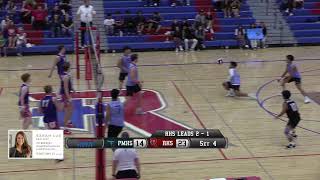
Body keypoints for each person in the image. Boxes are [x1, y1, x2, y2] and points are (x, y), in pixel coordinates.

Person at [59, 62, 74, 135]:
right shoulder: (66, 77)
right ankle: (65, 129)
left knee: (70, 110)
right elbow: (65, 89)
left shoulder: (67, 75)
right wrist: (69, 98)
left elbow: (68, 86)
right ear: (68, 68)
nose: (70, 68)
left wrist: (73, 89)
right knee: (67, 112)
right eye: (70, 67)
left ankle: (68, 122)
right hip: (65, 96)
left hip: (66, 95)